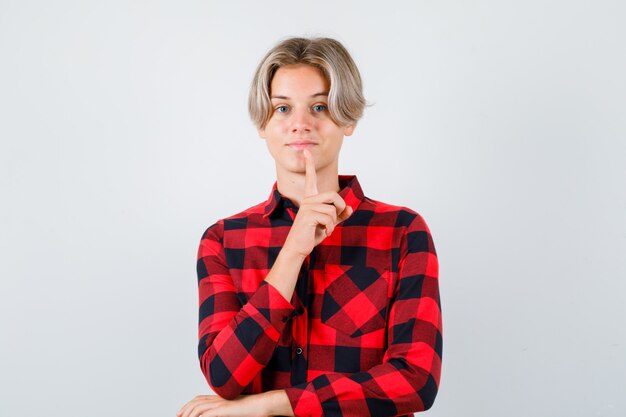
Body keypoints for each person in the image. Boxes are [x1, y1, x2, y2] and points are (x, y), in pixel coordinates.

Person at [177, 37, 442, 417]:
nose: (300, 124)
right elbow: (223, 375)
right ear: (263, 126)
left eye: (319, 107)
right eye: (282, 108)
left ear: (347, 119)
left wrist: (272, 405)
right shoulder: (223, 240)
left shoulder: (402, 231)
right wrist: (293, 252)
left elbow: (416, 380)